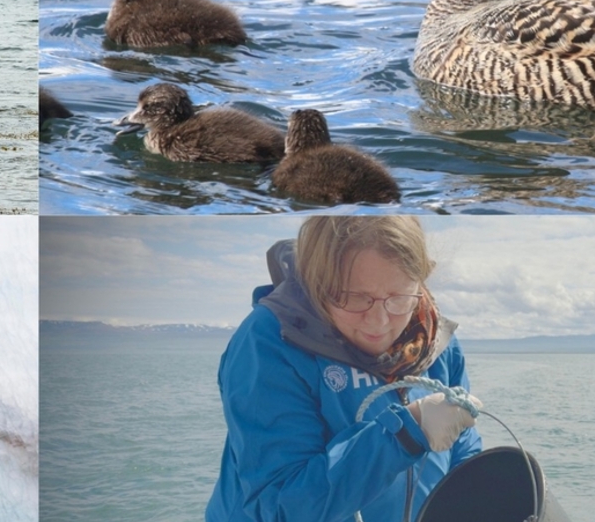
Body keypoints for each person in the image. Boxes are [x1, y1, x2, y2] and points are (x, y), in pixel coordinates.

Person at [207, 216, 483, 522]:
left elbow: (461, 447)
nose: (379, 323)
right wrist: (405, 434)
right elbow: (280, 506)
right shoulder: (271, 342)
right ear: (318, 283)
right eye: (354, 298)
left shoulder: (434, 340)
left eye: (399, 298)